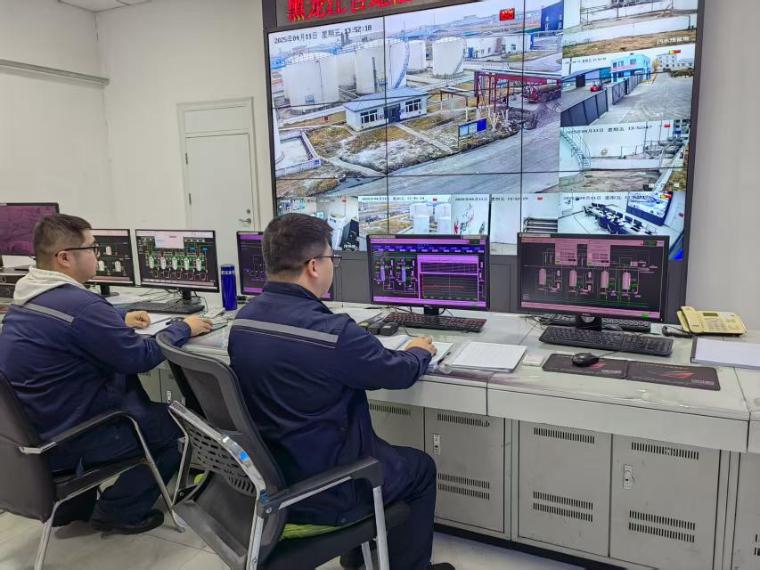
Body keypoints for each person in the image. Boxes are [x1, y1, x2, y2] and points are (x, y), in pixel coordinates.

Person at [228, 213, 454, 570]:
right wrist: (419, 352)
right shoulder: (333, 333)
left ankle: (357, 554)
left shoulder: (244, 319)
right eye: (332, 258)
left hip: (271, 477)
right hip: (328, 490)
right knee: (420, 468)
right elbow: (396, 373)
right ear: (313, 266)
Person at [0, 214, 212, 533]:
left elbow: (69, 325)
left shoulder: (26, 297)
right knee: (180, 426)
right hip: (74, 436)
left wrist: (116, 317)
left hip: (35, 436)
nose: (97, 255)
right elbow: (139, 357)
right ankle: (119, 511)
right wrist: (184, 327)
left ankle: (74, 506)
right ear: (65, 257)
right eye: (92, 248)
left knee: (139, 402)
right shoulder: (82, 306)